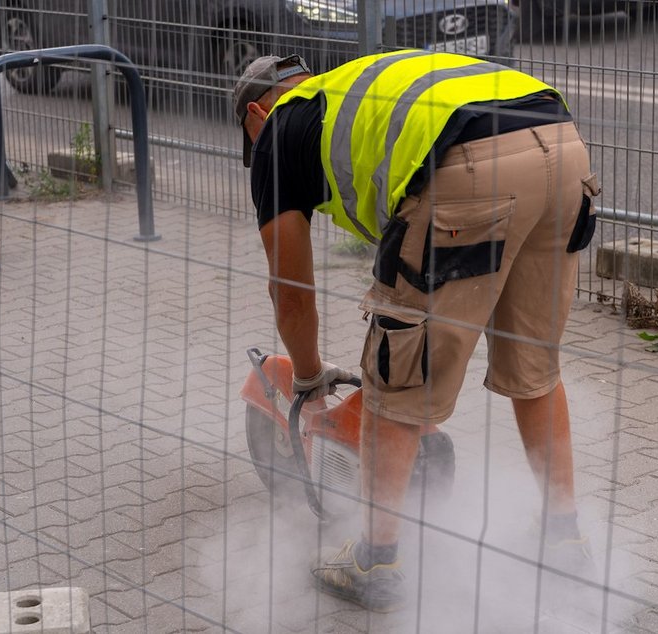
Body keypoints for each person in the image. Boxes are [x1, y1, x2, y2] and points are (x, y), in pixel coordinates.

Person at [234, 50, 600, 613]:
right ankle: (564, 540)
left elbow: (289, 288)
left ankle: (373, 563)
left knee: (396, 379)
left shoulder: (281, 130)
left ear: (257, 116)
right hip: (561, 143)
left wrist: (307, 377)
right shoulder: (359, 91)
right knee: (535, 368)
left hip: (469, 163)